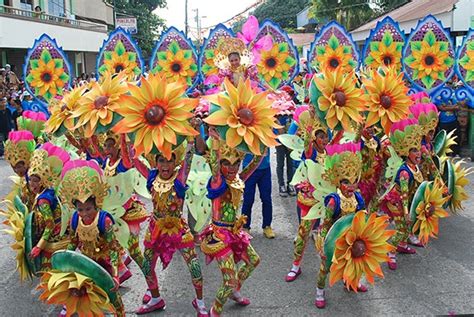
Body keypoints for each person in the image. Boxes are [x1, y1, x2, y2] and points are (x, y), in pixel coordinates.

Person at [133, 141, 208, 316]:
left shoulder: (179, 178)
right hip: (156, 229)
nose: (165, 165)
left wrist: (192, 135)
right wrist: (127, 137)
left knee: (194, 266)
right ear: (156, 162)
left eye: (169, 161)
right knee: (147, 266)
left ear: (175, 163)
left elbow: (188, 159)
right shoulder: (152, 177)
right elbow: (135, 160)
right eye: (161, 161)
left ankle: (201, 303)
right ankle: (156, 298)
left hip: (179, 229)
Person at [200, 136, 263, 317]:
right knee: (228, 280)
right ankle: (215, 311)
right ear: (220, 165)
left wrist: (263, 140)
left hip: (235, 232)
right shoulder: (217, 182)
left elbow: (255, 163)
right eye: (226, 163)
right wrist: (214, 138)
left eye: (236, 164)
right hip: (219, 235)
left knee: (254, 261)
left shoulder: (238, 179)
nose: (232, 168)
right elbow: (214, 162)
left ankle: (235, 290)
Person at [59, 160, 125, 316]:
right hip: (86, 266)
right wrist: (63, 263)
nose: (84, 213)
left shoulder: (105, 221)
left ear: (96, 204)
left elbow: (114, 248)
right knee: (88, 306)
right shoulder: (75, 219)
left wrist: (115, 276)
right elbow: (73, 244)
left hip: (105, 267)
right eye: (80, 209)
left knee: (115, 305)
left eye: (88, 208)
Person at [315, 142, 366, 309]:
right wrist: (323, 246)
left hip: (352, 239)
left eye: (354, 181)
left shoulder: (358, 199)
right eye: (346, 181)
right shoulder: (333, 201)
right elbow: (324, 225)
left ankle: (351, 282)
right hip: (334, 240)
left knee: (355, 262)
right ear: (338, 181)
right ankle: (320, 291)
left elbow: (362, 220)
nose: (351, 186)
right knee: (326, 267)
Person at [286, 110, 329, 282]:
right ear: (314, 139)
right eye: (320, 137)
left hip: (326, 200)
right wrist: (311, 119)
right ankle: (296, 266)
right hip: (309, 199)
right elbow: (306, 144)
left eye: (325, 137)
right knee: (303, 234)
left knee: (327, 237)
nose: (324, 140)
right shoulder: (310, 153)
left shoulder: (330, 152)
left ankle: (337, 271)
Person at [380, 118, 424, 270]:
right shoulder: (405, 172)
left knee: (408, 225)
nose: (418, 153)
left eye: (418, 149)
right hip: (395, 201)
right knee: (402, 228)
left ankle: (403, 245)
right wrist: (406, 212)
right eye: (414, 150)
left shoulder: (416, 167)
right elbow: (404, 194)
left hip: (405, 199)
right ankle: (390, 254)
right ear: (406, 153)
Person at [27, 143, 71, 271]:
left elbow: (50, 225)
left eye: (36, 181)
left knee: (51, 274)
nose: (32, 184)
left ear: (43, 181)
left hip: (55, 241)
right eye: (30, 180)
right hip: (61, 236)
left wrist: (39, 246)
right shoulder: (47, 191)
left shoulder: (43, 200)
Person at [241, 150, 275, 238]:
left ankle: (267, 226)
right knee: (248, 199)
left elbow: (276, 137)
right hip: (249, 167)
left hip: (265, 168)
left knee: (266, 198)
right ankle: (245, 227)